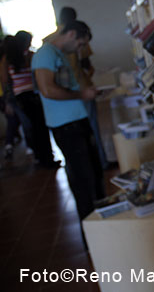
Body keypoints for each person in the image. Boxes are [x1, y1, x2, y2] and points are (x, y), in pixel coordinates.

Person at [31, 20, 105, 224]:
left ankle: (99, 223)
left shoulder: (57, 54)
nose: (80, 49)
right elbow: (47, 90)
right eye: (81, 44)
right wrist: (82, 94)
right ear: (71, 34)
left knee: (93, 174)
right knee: (83, 180)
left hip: (75, 121)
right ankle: (91, 227)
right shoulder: (46, 54)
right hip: (67, 126)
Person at [47, 6, 110, 169]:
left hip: (64, 97)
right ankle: (100, 163)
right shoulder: (78, 36)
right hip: (82, 89)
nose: (79, 47)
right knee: (91, 129)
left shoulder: (49, 41)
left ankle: (90, 166)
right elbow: (86, 64)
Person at [1, 31, 58, 168]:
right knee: (34, 127)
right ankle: (42, 157)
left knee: (39, 127)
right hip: (23, 97)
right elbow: (6, 82)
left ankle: (46, 157)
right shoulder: (8, 59)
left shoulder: (29, 56)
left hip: (32, 95)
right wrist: (8, 102)